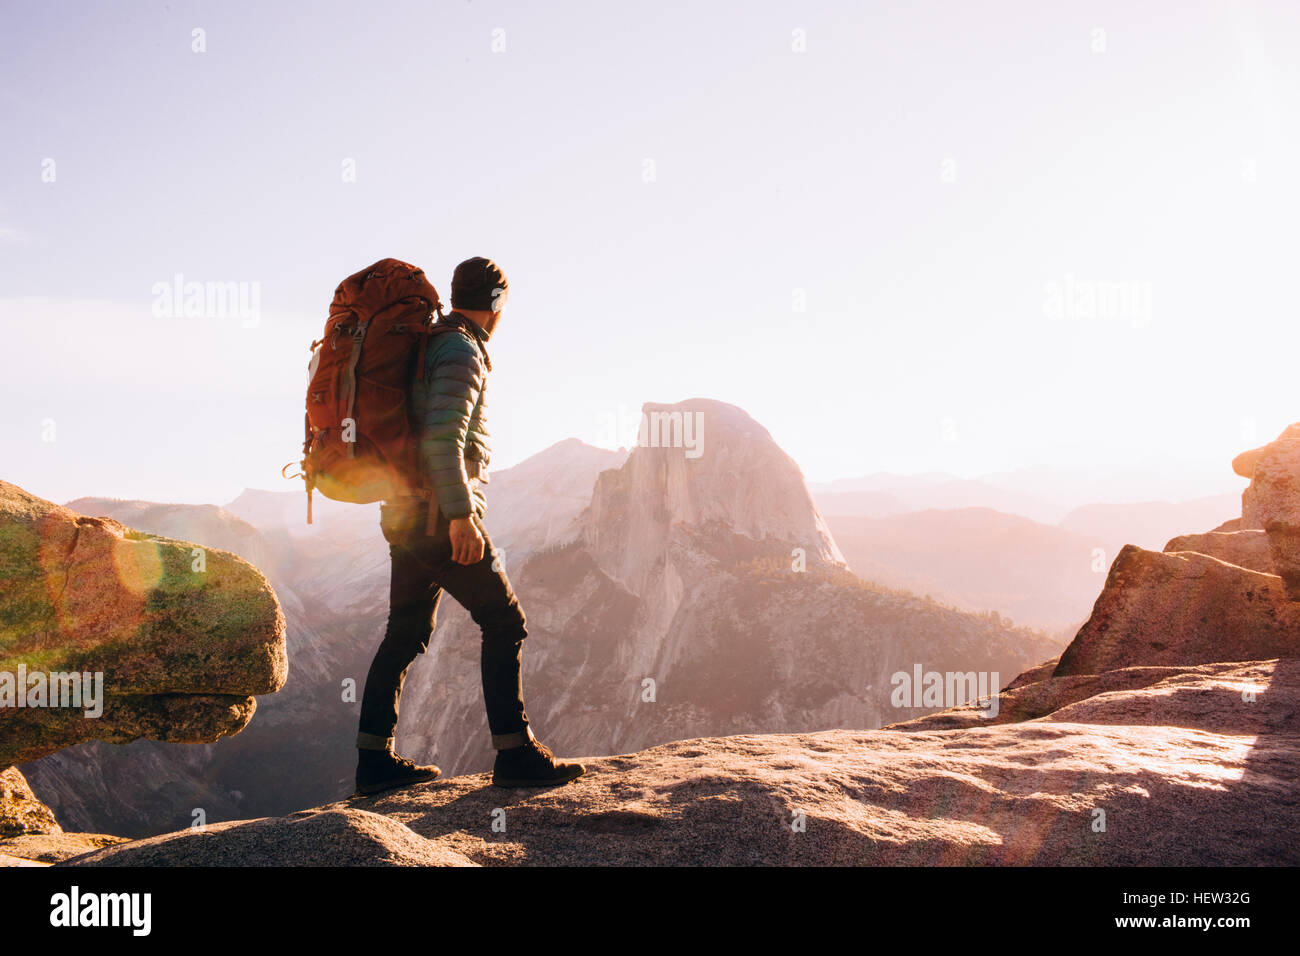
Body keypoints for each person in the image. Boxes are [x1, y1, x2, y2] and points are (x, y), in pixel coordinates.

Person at [354, 256, 586, 795]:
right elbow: (443, 439)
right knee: (505, 622)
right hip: (437, 517)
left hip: (405, 513)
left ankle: (373, 764)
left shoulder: (432, 342)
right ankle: (515, 753)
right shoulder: (461, 350)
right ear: (497, 303)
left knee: (404, 635)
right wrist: (461, 515)